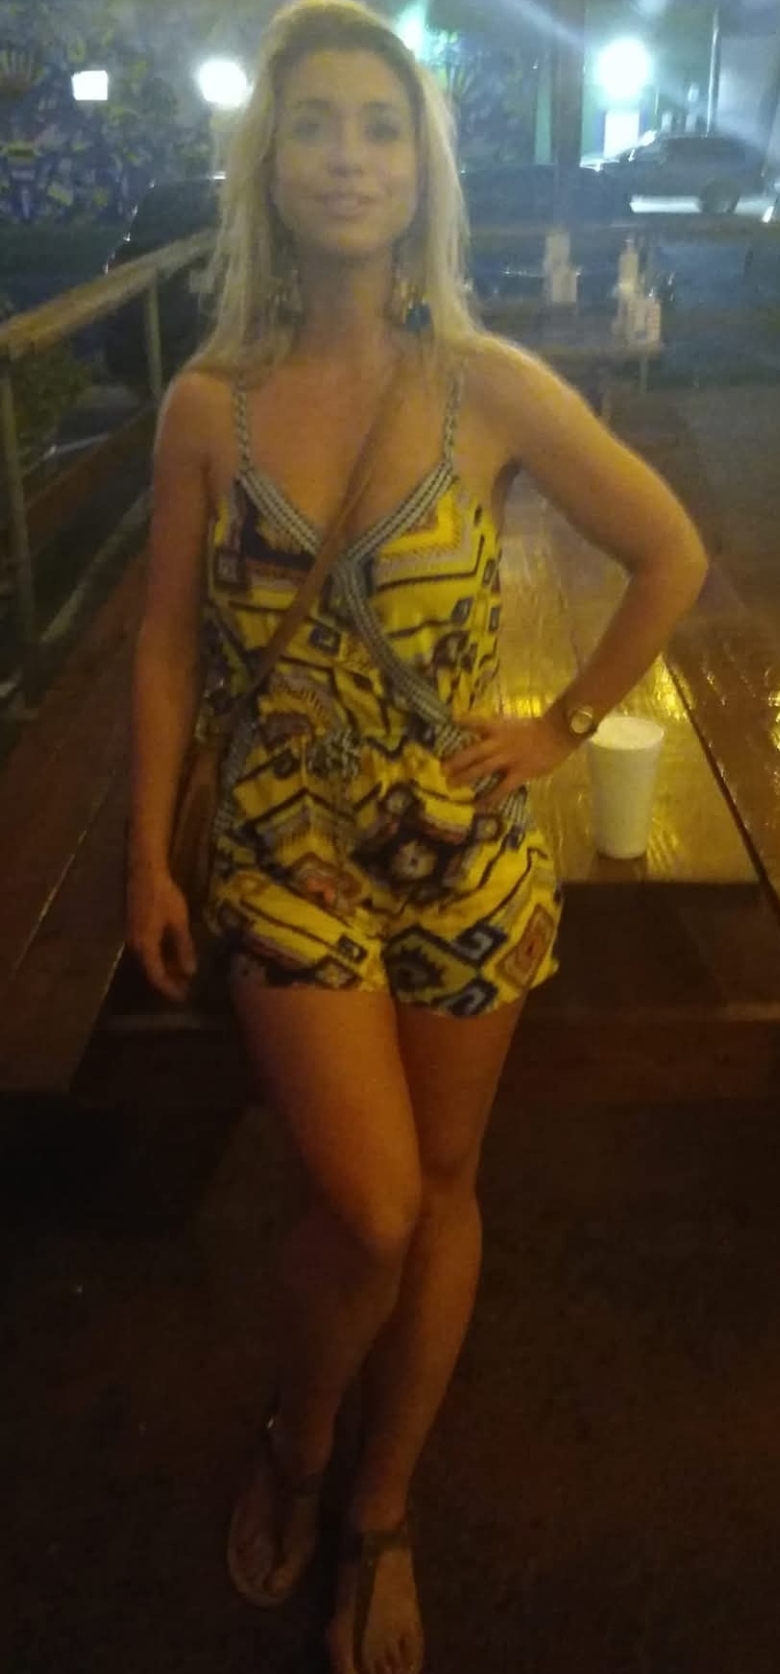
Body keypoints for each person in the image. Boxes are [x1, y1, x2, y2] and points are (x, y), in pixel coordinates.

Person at [125, 3, 708, 1671]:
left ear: (421, 170)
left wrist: (562, 725)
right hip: (285, 851)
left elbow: (668, 551)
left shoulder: (489, 385)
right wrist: (145, 854)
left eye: (381, 128)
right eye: (314, 125)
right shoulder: (208, 407)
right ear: (270, 166)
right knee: (376, 1205)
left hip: (465, 849)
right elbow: (165, 643)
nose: (348, 158)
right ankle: (301, 1438)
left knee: (445, 1188)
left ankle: (380, 1507)